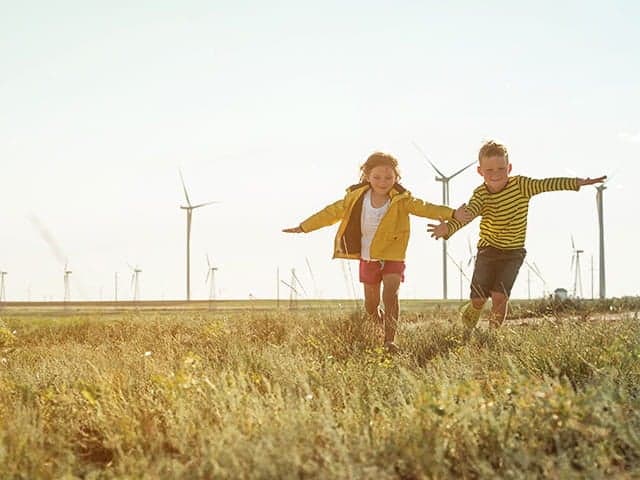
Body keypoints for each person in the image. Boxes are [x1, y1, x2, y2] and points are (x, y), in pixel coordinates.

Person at [283, 151, 472, 352]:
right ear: (367, 177)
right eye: (377, 177)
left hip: (393, 255)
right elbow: (330, 213)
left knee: (390, 295)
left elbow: (426, 208)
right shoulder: (355, 198)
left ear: (396, 178)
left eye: (389, 177)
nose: (383, 182)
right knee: (371, 306)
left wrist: (452, 213)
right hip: (368, 257)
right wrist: (304, 226)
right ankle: (380, 325)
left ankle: (390, 340)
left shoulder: (402, 200)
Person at [427, 140, 606, 329]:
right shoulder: (481, 194)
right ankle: (470, 316)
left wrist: (578, 183)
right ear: (480, 171)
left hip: (513, 252)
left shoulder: (522, 185)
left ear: (509, 168)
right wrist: (448, 228)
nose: (495, 174)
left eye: (501, 169)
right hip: (488, 250)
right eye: (489, 170)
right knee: (479, 298)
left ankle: (493, 335)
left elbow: (548, 184)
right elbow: (468, 214)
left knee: (500, 296)